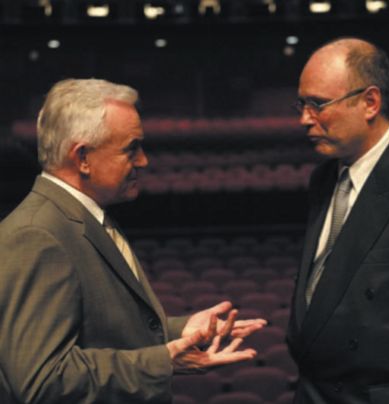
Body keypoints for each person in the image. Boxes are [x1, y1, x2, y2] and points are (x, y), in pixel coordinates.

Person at [0, 78, 266, 404]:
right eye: (131, 148)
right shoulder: (38, 236)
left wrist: (180, 331)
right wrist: (163, 361)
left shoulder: (82, 215)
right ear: (82, 157)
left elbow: (100, 331)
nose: (143, 161)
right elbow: (43, 380)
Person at [287, 37, 389, 403]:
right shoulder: (323, 178)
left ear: (370, 102)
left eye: (318, 104)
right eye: (301, 104)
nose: (303, 119)